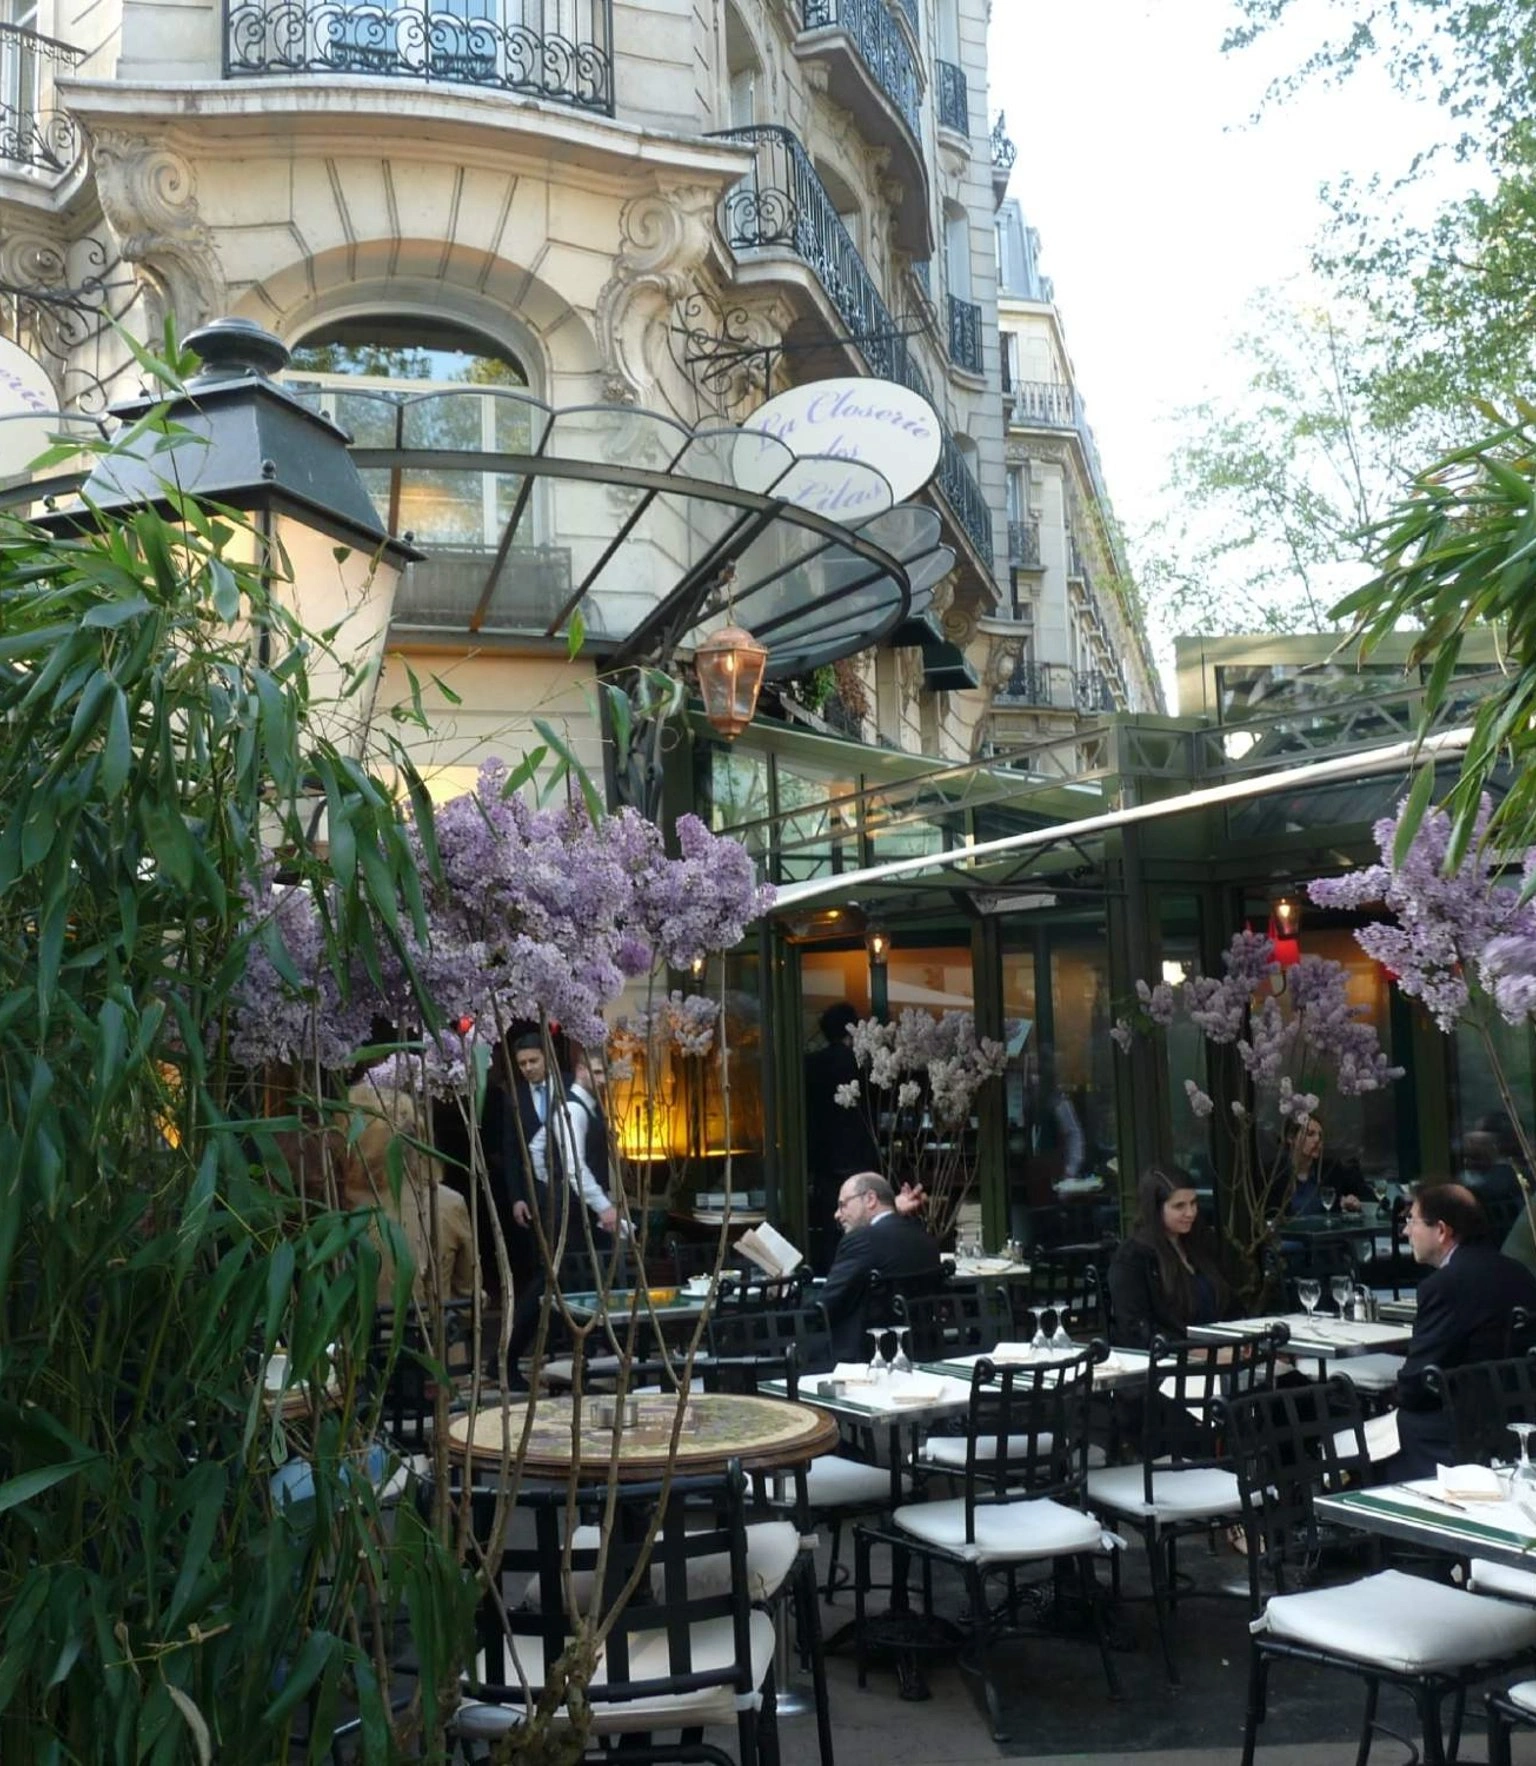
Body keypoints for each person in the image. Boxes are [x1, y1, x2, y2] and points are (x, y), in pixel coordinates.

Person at [1378, 1182, 1536, 1479]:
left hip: (1458, 1429)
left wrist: (1390, 1395)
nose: (1405, 1232)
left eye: (1411, 1221)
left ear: (1441, 1230)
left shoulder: (1444, 1286)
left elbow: (1416, 1384)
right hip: (1519, 1415)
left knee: (1373, 1431)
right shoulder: (1520, 1273)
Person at [499, 1033, 622, 1385]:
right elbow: (517, 1149)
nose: (527, 1069)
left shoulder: (574, 1088)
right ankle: (510, 1355)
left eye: (532, 1062)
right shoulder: (517, 1097)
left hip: (581, 1200)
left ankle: (585, 1351)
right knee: (549, 1280)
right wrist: (527, 1193)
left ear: (548, 1060)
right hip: (558, 1203)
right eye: (522, 1064)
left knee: (574, 1276)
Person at [339, 1082, 478, 1304]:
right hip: (435, 1334)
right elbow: (469, 1292)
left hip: (363, 1337)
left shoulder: (337, 1209)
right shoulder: (448, 1204)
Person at [819, 1171, 944, 1364]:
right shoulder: (926, 1240)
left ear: (870, 1199)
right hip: (925, 1350)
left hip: (862, 1357)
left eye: (843, 1205)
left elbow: (826, 1305)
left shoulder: (861, 1240)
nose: (837, 1214)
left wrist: (788, 1293)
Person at [1107, 1164, 1230, 1348]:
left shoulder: (1200, 1243)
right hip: (1170, 1362)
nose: (1190, 1213)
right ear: (1155, 1209)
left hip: (1221, 1349)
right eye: (1179, 1206)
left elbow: (1229, 1304)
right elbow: (1135, 1329)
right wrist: (1201, 1353)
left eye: (1194, 1203)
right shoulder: (1132, 1258)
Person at [803, 1002, 881, 1272]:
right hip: (861, 1158)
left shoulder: (812, 1065)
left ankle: (830, 1281)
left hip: (826, 1161)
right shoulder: (865, 1065)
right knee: (864, 1229)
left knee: (830, 1229)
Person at [1274, 1113, 1363, 1217]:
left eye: (1320, 1136)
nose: (1317, 1140)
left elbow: (1367, 1197)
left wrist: (1352, 1202)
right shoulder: (1275, 1175)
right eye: (1310, 1134)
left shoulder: (1331, 1171)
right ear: (1291, 1138)